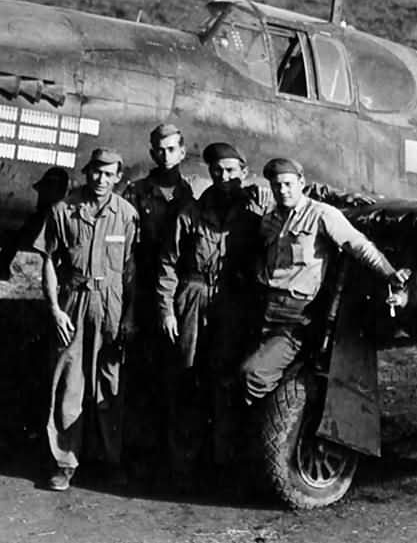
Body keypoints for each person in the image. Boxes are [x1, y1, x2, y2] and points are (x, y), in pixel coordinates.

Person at [240, 157, 406, 406]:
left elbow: (358, 245)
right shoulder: (269, 219)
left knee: (253, 375)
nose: (282, 191)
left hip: (294, 318)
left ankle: (271, 414)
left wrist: (390, 274)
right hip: (262, 310)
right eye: (276, 185)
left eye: (288, 184)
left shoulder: (321, 214)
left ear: (301, 183)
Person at [155, 142, 268, 487]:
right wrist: (167, 311)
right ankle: (182, 465)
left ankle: (223, 463)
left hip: (231, 301)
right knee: (186, 376)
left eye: (231, 171)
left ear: (244, 172)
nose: (223, 177)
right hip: (192, 296)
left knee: (225, 378)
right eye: (217, 171)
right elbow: (167, 264)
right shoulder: (190, 213)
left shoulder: (253, 213)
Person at [39, 148, 139, 492]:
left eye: (109, 174)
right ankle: (64, 462)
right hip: (74, 300)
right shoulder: (63, 210)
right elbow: (49, 261)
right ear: (87, 171)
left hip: (111, 304)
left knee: (109, 385)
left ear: (118, 178)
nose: (101, 179)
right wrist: (55, 309)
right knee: (68, 382)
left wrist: (129, 316)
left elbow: (131, 270)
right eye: (96, 172)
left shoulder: (126, 215)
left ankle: (110, 461)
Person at [118, 121, 197, 483]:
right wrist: (130, 310)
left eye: (171, 149)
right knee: (140, 379)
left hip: (179, 300)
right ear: (152, 153)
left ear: (182, 152)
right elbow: (128, 255)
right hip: (144, 294)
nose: (165, 156)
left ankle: (174, 463)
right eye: (159, 150)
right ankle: (138, 460)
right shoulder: (136, 193)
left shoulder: (190, 195)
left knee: (177, 379)